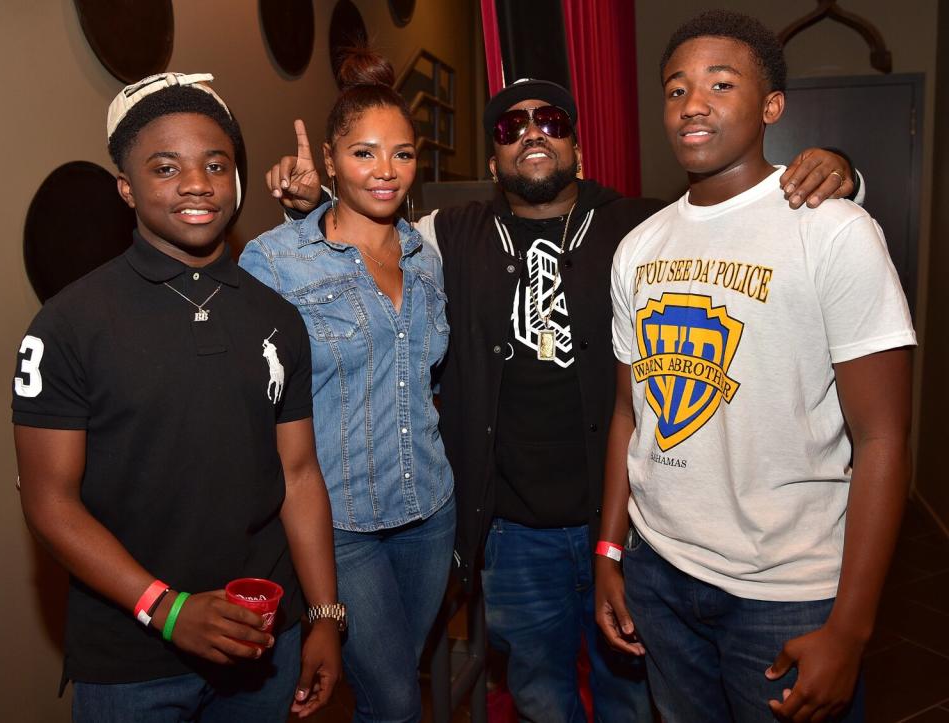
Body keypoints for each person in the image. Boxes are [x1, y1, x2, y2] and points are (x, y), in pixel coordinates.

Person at [267, 74, 858, 721]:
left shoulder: (646, 227)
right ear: (493, 158)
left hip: (635, 529)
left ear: (578, 144)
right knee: (541, 694)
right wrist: (312, 201)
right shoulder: (448, 236)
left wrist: (841, 172)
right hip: (513, 534)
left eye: (549, 121)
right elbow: (365, 230)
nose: (530, 134)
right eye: (508, 127)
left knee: (632, 695)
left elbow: (743, 218)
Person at [597, 10, 915, 722]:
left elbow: (885, 439)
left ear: (770, 105)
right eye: (677, 90)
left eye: (720, 83)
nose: (694, 104)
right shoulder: (639, 246)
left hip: (787, 590)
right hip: (660, 571)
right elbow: (629, 412)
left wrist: (852, 628)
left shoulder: (834, 231)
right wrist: (611, 550)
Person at [12, 73, 342, 722]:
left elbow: (299, 476)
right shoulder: (68, 325)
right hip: (130, 660)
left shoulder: (277, 318)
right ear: (126, 188)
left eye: (215, 164)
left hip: (263, 642)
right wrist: (168, 607)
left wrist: (325, 613)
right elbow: (49, 499)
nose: (197, 183)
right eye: (166, 167)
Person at [239, 48, 455, 723]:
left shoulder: (426, 256)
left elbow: (428, 380)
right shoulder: (276, 261)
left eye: (402, 154)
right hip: (339, 523)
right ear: (330, 162)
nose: (386, 171)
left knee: (392, 683)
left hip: (429, 508)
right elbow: (245, 397)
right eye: (363, 154)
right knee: (395, 700)